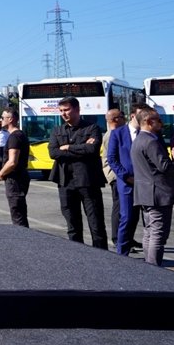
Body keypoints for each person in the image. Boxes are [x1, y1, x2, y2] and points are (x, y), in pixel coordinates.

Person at [47, 96, 107, 249]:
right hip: (65, 181)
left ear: (77, 110)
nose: (63, 113)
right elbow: (53, 153)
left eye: (66, 110)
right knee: (72, 224)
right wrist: (80, 149)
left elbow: (92, 149)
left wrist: (68, 147)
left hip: (88, 181)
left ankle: (101, 255)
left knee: (96, 223)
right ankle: (77, 253)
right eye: (61, 111)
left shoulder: (92, 128)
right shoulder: (57, 130)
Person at [130, 107, 174, 266]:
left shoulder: (138, 139)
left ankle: (150, 266)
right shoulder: (151, 141)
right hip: (158, 194)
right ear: (148, 122)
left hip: (146, 193)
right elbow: (164, 166)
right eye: (158, 120)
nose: (162, 123)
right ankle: (154, 268)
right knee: (158, 234)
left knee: (149, 232)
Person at [106, 103, 150, 255]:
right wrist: (126, 176)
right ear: (133, 116)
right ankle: (122, 253)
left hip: (147, 183)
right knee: (127, 217)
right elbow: (112, 159)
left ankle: (151, 254)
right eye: (142, 115)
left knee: (148, 220)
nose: (146, 119)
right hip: (127, 184)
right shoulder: (118, 133)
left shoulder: (149, 133)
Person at [0, 107, 29, 227]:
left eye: (3, 117)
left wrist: (1, 173)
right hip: (20, 177)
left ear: (10, 119)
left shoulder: (15, 136)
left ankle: (22, 240)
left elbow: (12, 162)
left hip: (15, 179)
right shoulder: (19, 135)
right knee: (19, 212)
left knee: (17, 214)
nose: (1, 120)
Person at [101, 107, 126, 248]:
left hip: (118, 174)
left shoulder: (116, 132)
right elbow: (112, 158)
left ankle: (126, 236)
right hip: (116, 175)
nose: (125, 118)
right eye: (122, 115)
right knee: (119, 207)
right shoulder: (112, 134)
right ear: (116, 119)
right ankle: (117, 238)